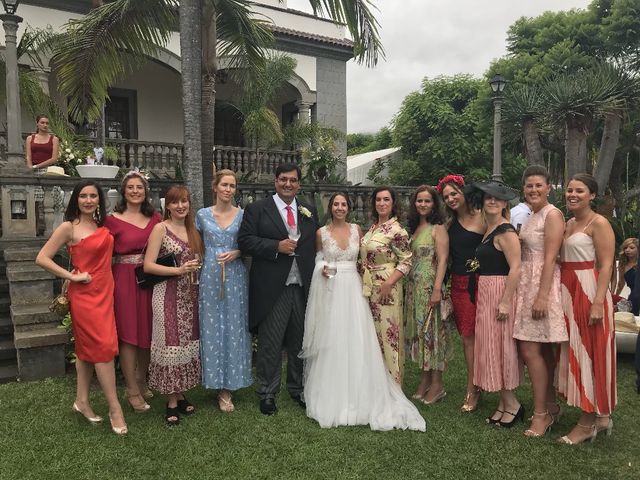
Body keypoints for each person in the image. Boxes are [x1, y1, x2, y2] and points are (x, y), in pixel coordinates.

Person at [301, 193, 425, 431]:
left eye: (343, 204)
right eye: (335, 204)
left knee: (360, 337)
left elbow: (366, 259)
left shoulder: (359, 230)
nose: (339, 207)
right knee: (335, 338)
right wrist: (322, 269)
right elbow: (318, 258)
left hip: (357, 290)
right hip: (333, 289)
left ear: (349, 208)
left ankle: (369, 389)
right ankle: (335, 392)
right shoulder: (321, 233)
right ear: (330, 207)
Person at [36, 180, 127, 435]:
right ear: (76, 199)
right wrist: (71, 276)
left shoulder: (101, 226)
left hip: (105, 293)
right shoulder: (69, 227)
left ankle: (82, 401)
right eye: (84, 196)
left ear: (99, 200)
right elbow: (42, 257)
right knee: (104, 349)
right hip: (85, 295)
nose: (88, 200)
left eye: (93, 196)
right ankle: (114, 408)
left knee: (88, 350)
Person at [238, 163, 319, 415]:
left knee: (299, 342)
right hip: (273, 287)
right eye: (283, 179)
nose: (288, 184)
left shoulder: (309, 210)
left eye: (293, 180)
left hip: (303, 286)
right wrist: (276, 247)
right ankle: (267, 392)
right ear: (275, 182)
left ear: (298, 184)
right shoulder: (257, 209)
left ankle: (297, 388)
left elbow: (315, 244)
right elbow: (245, 241)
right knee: (271, 343)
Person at [556, 173, 616, 444]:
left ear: (592, 195)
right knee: (577, 351)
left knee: (592, 352)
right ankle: (601, 416)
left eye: (579, 190)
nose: (572, 194)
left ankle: (588, 421)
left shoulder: (599, 223)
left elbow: (605, 265)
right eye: (569, 190)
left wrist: (598, 303)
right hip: (568, 290)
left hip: (590, 290)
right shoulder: (568, 224)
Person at [512, 165, 567, 437]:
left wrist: (542, 295)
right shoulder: (531, 215)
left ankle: (541, 414)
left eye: (538, 185)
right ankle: (550, 406)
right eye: (529, 186)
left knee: (530, 350)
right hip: (526, 284)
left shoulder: (553, 215)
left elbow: (551, 257)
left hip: (541, 285)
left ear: (548, 188)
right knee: (541, 351)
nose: (533, 190)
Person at [143, 185, 203, 426]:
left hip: (189, 294)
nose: (181, 206)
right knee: (170, 342)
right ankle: (170, 401)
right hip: (166, 294)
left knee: (185, 343)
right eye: (175, 202)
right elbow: (148, 265)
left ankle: (180, 393)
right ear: (167, 205)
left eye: (185, 201)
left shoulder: (193, 229)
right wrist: (178, 270)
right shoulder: (161, 228)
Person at [467, 181, 524, 427]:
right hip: (486, 291)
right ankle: (504, 402)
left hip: (500, 292)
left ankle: (513, 404)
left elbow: (516, 268)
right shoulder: (489, 230)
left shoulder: (506, 232)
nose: (492, 201)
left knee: (502, 347)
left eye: (498, 199)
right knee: (491, 345)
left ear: (504, 204)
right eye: (488, 197)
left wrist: (505, 302)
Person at [104, 171, 161, 413]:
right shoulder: (112, 220)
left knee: (148, 332)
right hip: (124, 279)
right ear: (123, 191)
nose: (136, 191)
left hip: (149, 279)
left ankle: (141, 379)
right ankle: (131, 389)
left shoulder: (156, 218)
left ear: (145, 191)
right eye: (131, 187)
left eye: (140, 187)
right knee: (128, 336)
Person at [196, 169, 252, 413]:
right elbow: (195, 244)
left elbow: (249, 243)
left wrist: (237, 252)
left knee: (233, 326)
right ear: (215, 187)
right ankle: (214, 380)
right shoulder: (201, 215)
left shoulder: (242, 215)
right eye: (225, 185)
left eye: (232, 186)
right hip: (209, 275)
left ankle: (229, 386)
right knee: (211, 326)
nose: (228, 189)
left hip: (236, 275)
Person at [437, 174, 485, 412]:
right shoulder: (448, 225)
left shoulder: (486, 216)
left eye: (454, 193)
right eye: (446, 197)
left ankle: (491, 382)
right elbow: (444, 259)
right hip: (461, 284)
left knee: (490, 335)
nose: (451, 199)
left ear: (464, 192)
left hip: (487, 282)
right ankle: (472, 387)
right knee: (468, 338)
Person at [360, 187, 412, 385]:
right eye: (378, 200)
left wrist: (388, 284)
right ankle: (376, 382)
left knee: (389, 334)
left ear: (393, 203)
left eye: (386, 200)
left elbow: (406, 261)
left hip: (387, 288)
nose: (381, 203)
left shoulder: (397, 230)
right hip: (369, 286)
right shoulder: (373, 228)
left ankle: (393, 383)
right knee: (373, 335)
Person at [405, 185, 451, 404]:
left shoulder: (438, 228)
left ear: (434, 204)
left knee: (434, 334)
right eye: (419, 200)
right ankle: (424, 380)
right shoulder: (414, 228)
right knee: (422, 335)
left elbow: (442, 260)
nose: (422, 204)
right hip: (415, 289)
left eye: (427, 201)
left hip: (430, 287)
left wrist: (436, 289)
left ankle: (437, 384)